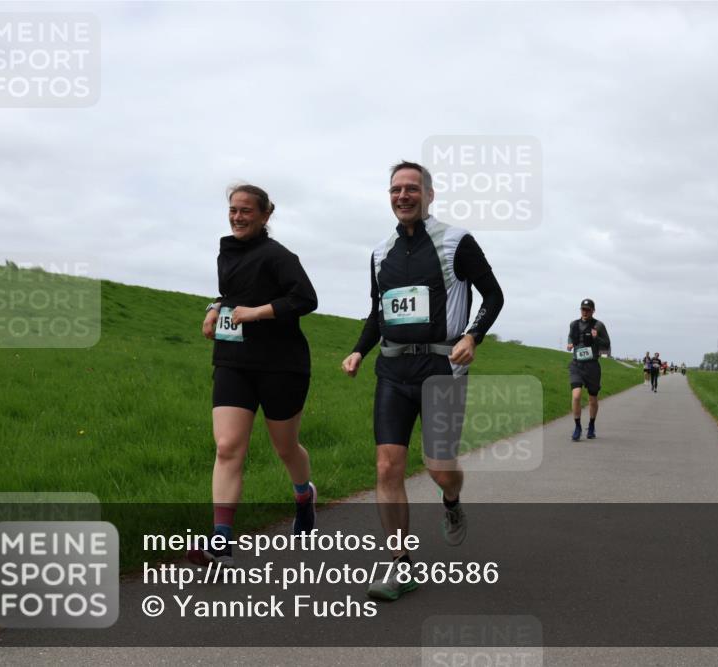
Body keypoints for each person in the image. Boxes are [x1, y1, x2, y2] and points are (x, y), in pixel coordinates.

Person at [341, 161, 504, 601]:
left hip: (441, 369)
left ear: (429, 195)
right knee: (386, 466)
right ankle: (399, 565)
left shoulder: (455, 241)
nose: (403, 195)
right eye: (396, 189)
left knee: (438, 468)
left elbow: (494, 294)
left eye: (412, 188)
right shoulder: (379, 253)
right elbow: (379, 311)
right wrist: (359, 348)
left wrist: (473, 334)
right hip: (393, 371)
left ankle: (451, 502)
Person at [190, 184, 319, 567]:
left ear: (265, 216)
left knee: (285, 448)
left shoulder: (279, 256)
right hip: (233, 360)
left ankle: (303, 495)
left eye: (246, 211)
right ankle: (221, 542)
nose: (237, 216)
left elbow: (305, 299)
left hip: (281, 364)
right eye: (233, 209)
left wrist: (256, 312)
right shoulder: (226, 250)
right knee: (228, 447)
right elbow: (231, 292)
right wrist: (216, 308)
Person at [567, 299, 611, 441]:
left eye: (587, 309)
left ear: (593, 311)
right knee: (576, 396)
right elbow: (571, 336)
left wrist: (596, 337)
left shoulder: (599, 325)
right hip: (577, 365)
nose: (584, 312)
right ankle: (577, 427)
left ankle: (591, 425)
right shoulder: (574, 324)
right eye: (582, 309)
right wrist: (569, 343)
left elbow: (607, 344)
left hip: (592, 366)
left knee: (592, 399)